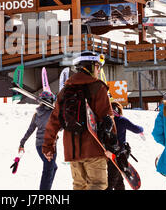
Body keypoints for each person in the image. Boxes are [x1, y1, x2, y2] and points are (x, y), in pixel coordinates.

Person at [42, 51, 115, 190]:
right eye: (97, 67)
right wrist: (113, 146)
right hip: (94, 149)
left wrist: (48, 146)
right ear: (91, 67)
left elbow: (54, 121)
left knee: (79, 186)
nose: (99, 71)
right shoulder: (98, 88)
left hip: (73, 152)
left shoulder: (64, 91)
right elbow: (107, 119)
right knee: (97, 185)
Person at [18, 92, 57, 190]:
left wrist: (22, 143)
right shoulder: (53, 114)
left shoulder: (37, 114)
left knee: (53, 167)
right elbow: (59, 128)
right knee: (48, 169)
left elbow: (30, 130)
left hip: (39, 146)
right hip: (49, 145)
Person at [107, 101, 144, 190]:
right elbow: (136, 129)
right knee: (111, 181)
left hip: (107, 153)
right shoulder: (121, 120)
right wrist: (142, 129)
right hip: (119, 154)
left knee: (118, 179)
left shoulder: (104, 120)